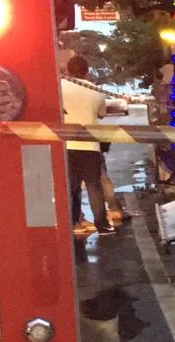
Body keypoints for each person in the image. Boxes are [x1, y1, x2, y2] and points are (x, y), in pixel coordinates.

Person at [61, 56, 115, 236]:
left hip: (66, 145)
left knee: (71, 186)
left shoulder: (59, 87)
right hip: (90, 146)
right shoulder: (96, 91)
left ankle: (74, 222)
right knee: (94, 186)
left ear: (68, 70)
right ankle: (102, 225)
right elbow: (101, 114)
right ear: (87, 70)